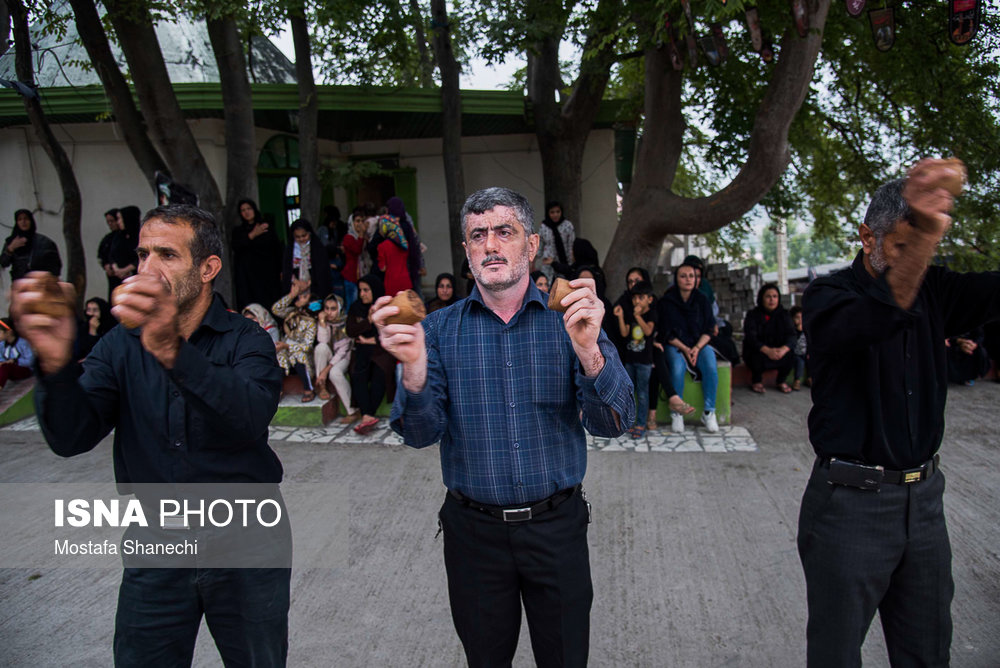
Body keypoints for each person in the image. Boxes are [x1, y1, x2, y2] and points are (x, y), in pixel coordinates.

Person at [9, 203, 290, 666]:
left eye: (166, 254)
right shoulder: (120, 343)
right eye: (142, 255)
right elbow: (71, 437)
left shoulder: (248, 339)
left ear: (208, 269)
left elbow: (249, 416)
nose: (147, 269)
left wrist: (171, 349)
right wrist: (56, 364)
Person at [372, 187, 634, 667]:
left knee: (566, 658)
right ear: (468, 252)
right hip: (474, 536)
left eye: (504, 232)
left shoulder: (572, 322)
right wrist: (412, 369)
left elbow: (614, 423)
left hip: (557, 529)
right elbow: (419, 434)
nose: (491, 245)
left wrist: (589, 352)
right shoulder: (436, 332)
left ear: (532, 247)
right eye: (478, 235)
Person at [798, 160, 1000, 667]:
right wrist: (926, 236)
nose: (916, 257)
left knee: (929, 651)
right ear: (867, 236)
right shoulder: (829, 296)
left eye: (923, 246)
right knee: (836, 655)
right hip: (849, 506)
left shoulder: (934, 288)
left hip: (926, 503)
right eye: (902, 244)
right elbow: (884, 312)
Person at [658, 261, 719, 433]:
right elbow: (666, 332)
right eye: (683, 276)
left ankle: (709, 412)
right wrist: (685, 349)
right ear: (676, 279)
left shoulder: (702, 300)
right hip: (676, 345)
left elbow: (709, 329)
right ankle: (677, 413)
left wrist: (697, 348)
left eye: (691, 276)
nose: (688, 280)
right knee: (677, 368)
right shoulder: (667, 301)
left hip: (699, 344)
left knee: (710, 366)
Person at [346, 274, 395, 434]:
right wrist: (368, 321)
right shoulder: (356, 307)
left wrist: (371, 340)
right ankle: (368, 415)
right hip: (362, 351)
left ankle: (367, 415)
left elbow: (389, 333)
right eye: (360, 290)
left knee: (379, 375)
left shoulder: (385, 308)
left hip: (382, 351)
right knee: (358, 374)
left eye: (366, 290)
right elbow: (351, 331)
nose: (362, 294)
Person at [613, 280, 656, 438]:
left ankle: (641, 424)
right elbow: (625, 333)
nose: (637, 301)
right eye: (634, 298)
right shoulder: (631, 313)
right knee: (629, 392)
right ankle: (629, 422)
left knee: (642, 393)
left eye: (641, 298)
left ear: (649, 299)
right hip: (630, 359)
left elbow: (648, 331)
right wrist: (621, 316)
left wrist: (638, 315)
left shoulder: (651, 314)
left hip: (644, 362)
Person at [742, 283, 796, 394]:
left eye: (775, 296)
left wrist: (783, 350)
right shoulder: (753, 315)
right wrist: (767, 350)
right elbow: (751, 337)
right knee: (754, 354)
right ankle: (757, 381)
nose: (772, 300)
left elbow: (792, 335)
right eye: (768, 296)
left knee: (791, 355)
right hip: (761, 351)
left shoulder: (784, 315)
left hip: (778, 351)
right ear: (761, 298)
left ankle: (781, 381)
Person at [271, 279, 319, 402]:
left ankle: (309, 389)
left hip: (299, 351)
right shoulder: (292, 313)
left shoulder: (310, 322)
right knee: (278, 354)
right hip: (285, 348)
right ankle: (278, 389)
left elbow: (307, 346)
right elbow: (276, 309)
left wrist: (287, 346)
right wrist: (291, 295)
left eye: (303, 297)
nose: (299, 298)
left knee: (298, 355)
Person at [314, 293, 359, 423]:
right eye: (326, 308)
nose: (329, 312)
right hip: (330, 354)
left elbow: (343, 350)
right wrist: (322, 323)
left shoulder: (346, 322)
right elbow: (323, 341)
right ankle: (322, 386)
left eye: (333, 309)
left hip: (344, 356)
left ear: (339, 308)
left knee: (335, 373)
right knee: (321, 347)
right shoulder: (325, 322)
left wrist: (325, 371)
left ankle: (352, 410)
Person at [232, 198, 284, 311]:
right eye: (243, 210)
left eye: (249, 209)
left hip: (268, 274)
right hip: (249, 277)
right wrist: (252, 235)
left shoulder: (266, 227)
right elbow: (237, 246)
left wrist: (281, 269)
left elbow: (276, 249)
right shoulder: (239, 231)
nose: (246, 212)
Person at [1, 209, 62, 281]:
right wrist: (11, 248)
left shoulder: (43, 242)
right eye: (20, 219)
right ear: (16, 223)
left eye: (26, 218)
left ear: (31, 221)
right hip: (19, 284)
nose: (23, 222)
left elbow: (55, 265)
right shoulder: (12, 241)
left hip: (39, 283)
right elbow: (3, 263)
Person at [282, 219, 331, 301]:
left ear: (309, 233)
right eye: (297, 237)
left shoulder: (318, 248)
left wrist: (308, 284)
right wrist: (296, 282)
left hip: (314, 287)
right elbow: (286, 270)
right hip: (295, 287)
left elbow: (322, 272)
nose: (301, 239)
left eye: (304, 236)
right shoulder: (290, 250)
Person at [376, 212, 412, 297]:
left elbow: (383, 268)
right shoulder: (404, 243)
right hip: (406, 282)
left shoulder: (382, 246)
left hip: (391, 284)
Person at [537, 200, 575, 280]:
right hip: (548, 262)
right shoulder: (544, 226)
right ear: (548, 213)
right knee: (547, 284)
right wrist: (534, 261)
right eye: (552, 212)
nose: (555, 215)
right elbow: (540, 244)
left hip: (563, 262)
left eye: (558, 212)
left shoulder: (567, 226)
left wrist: (570, 264)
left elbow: (571, 245)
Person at [0, 317, 34, 389]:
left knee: (6, 367)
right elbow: (1, 358)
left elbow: (30, 361)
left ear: (9, 332)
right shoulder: (2, 344)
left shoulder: (22, 343)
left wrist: (15, 361)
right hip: (9, 370)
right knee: (4, 366)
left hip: (25, 370)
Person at [97, 208, 122, 299]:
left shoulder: (126, 237)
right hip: (112, 275)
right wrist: (106, 265)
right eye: (108, 222)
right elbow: (101, 255)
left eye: (112, 221)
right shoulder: (108, 239)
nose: (110, 224)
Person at [789, 305, 808, 390]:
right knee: (800, 362)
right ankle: (797, 381)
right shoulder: (792, 330)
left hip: (805, 352)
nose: (800, 320)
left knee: (811, 361)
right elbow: (792, 342)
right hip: (795, 353)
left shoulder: (807, 329)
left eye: (802, 317)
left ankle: (810, 378)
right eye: (797, 318)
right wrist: (798, 331)